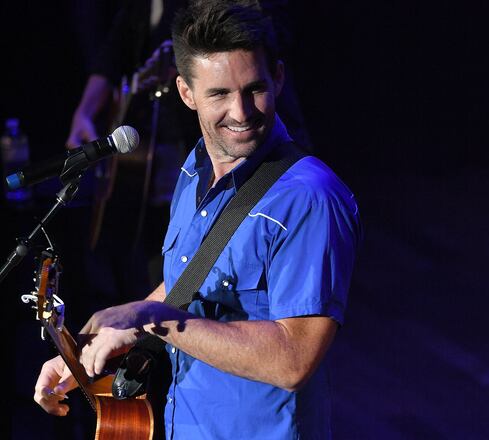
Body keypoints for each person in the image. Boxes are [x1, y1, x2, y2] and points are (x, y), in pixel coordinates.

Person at [34, 1, 361, 438]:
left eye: (255, 89)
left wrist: (148, 317)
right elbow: (190, 280)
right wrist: (87, 351)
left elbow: (293, 360)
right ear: (186, 93)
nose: (242, 113)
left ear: (279, 77)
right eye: (219, 94)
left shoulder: (309, 199)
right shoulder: (194, 167)